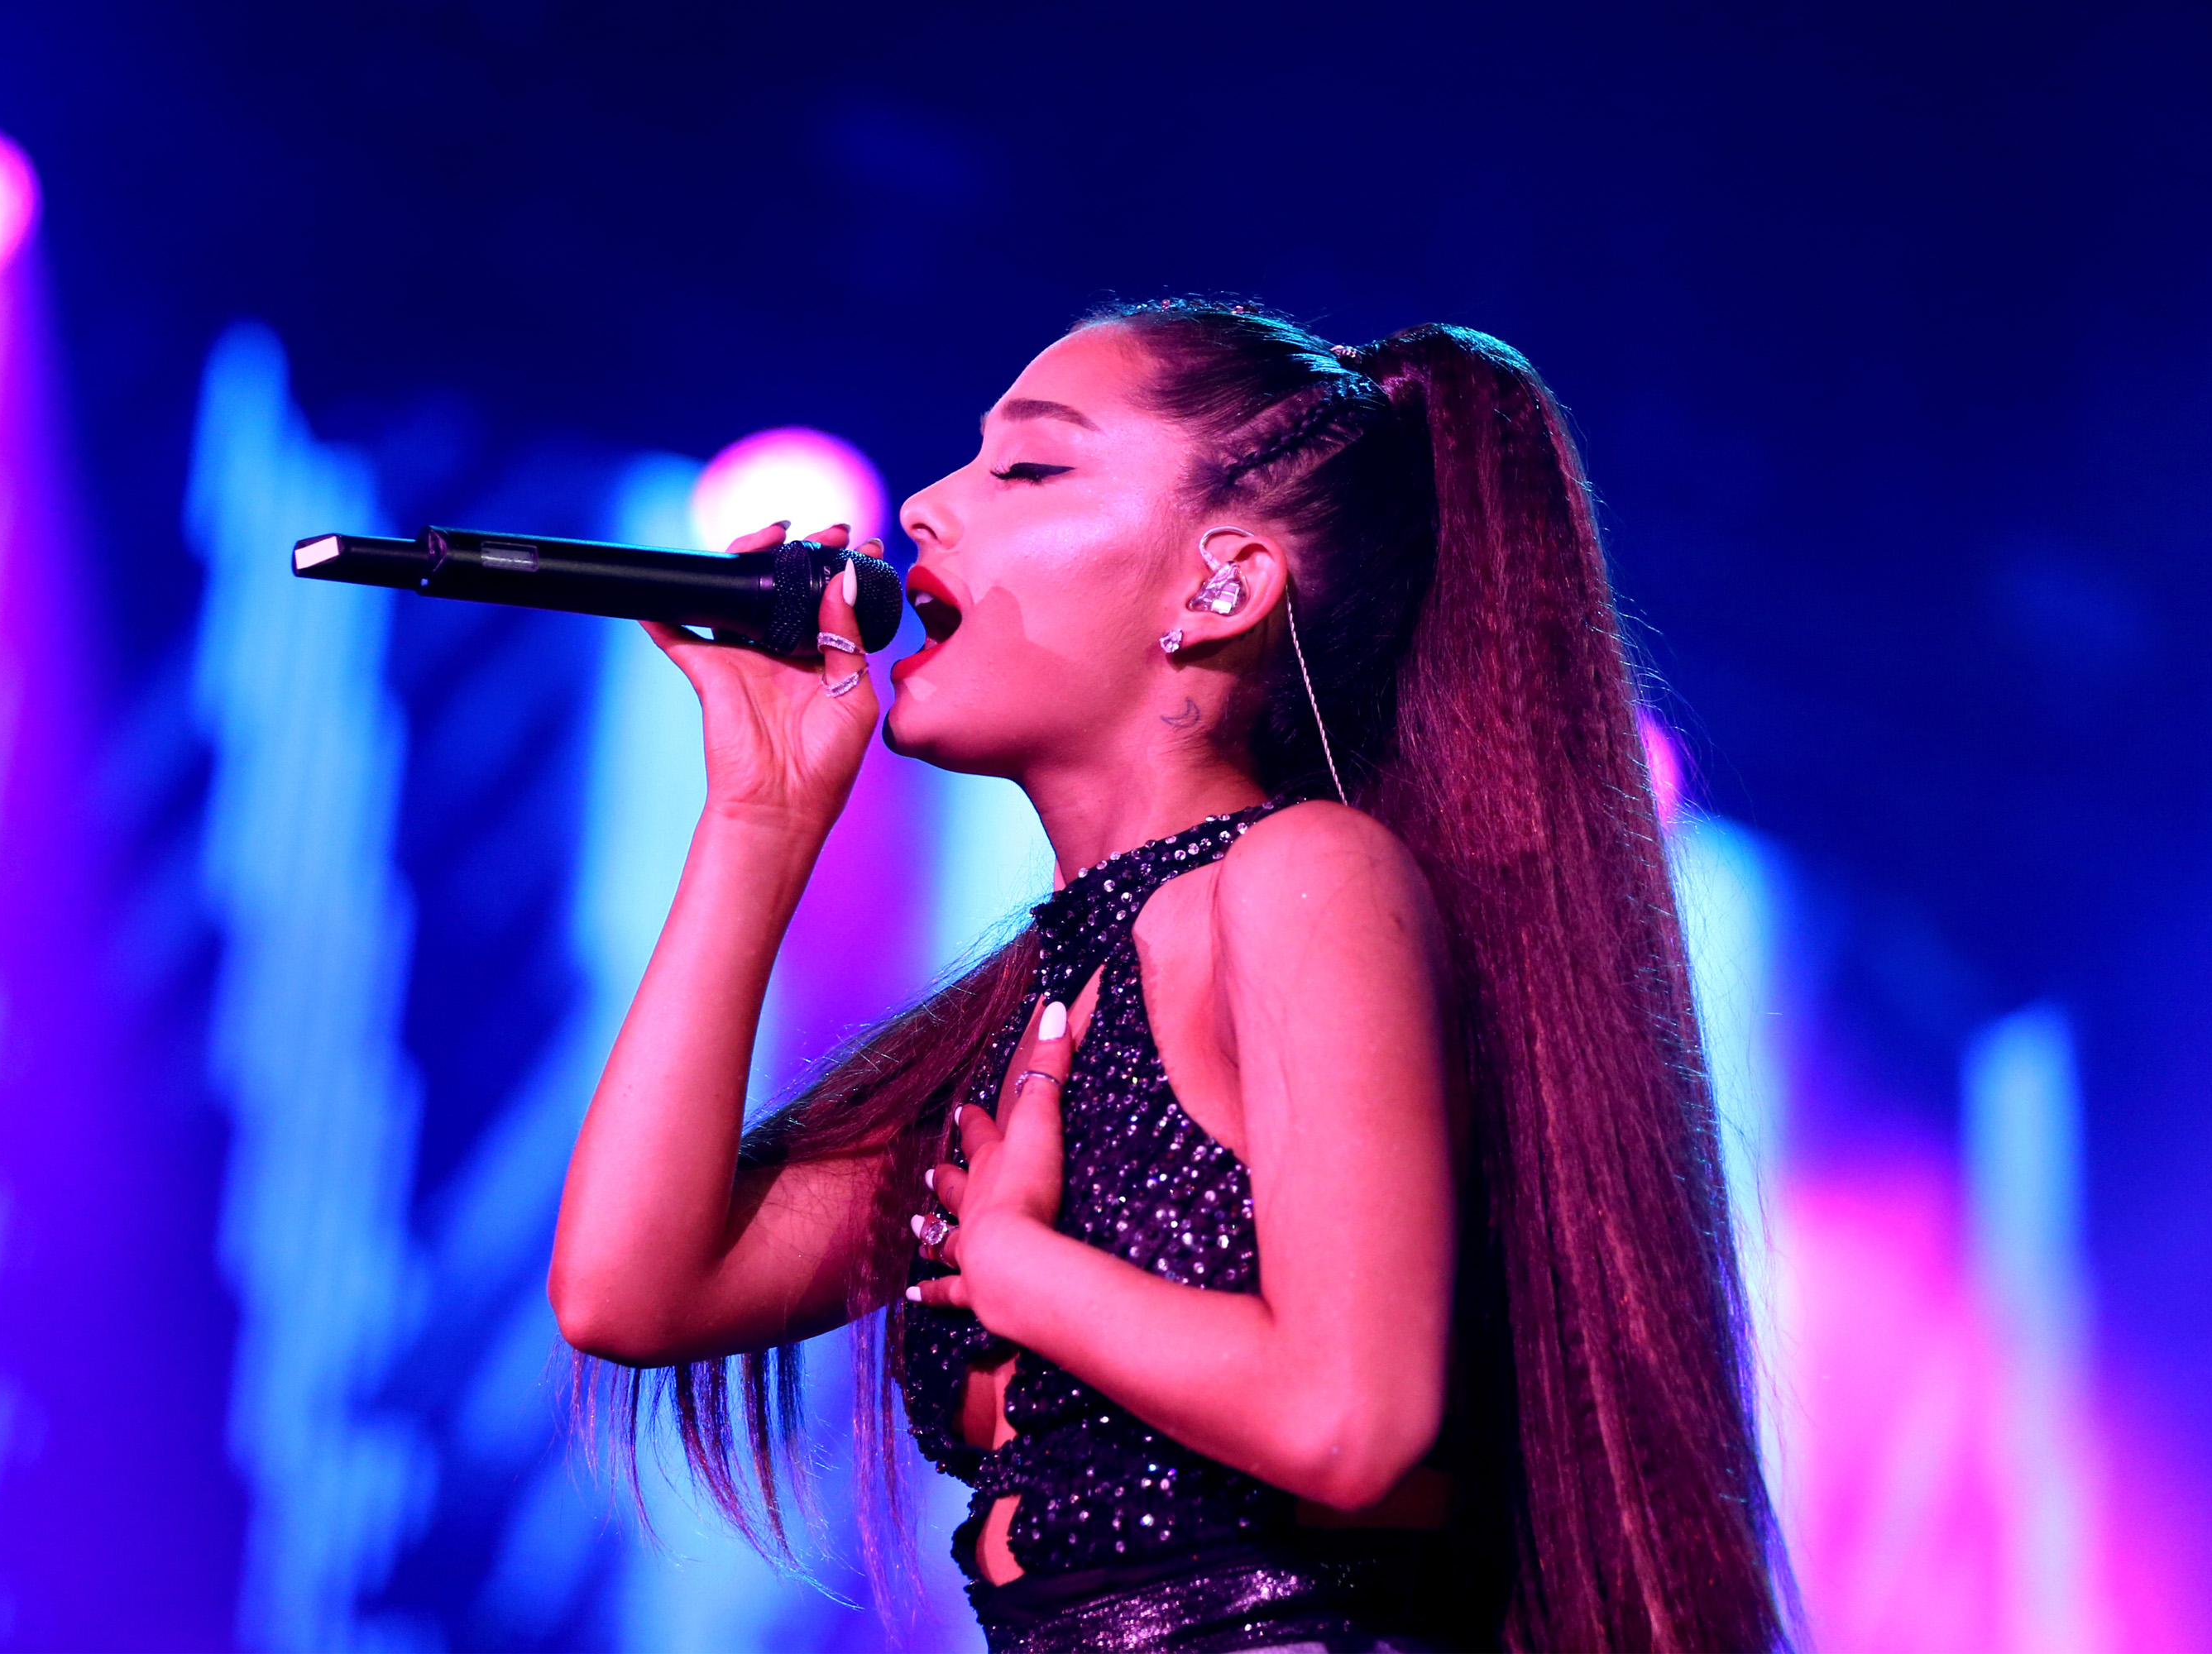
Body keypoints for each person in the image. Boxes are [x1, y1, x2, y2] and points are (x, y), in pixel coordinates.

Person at [549, 299, 1783, 1652]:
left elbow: (1349, 1417)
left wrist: (1022, 1271)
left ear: (1223, 585)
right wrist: (761, 816)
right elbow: (630, 1288)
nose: (920, 507)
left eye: (1027, 468)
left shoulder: (1305, 879)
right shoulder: (1032, 1013)